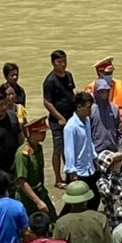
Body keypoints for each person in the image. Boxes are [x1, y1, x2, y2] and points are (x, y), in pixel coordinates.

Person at [41, 50, 77, 187]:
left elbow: (71, 94)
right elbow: (47, 102)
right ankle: (57, 179)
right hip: (57, 122)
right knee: (58, 149)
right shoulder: (50, 81)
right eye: (59, 62)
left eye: (64, 61)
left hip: (71, 118)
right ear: (53, 63)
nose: (63, 64)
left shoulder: (68, 76)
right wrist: (60, 117)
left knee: (70, 148)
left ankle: (70, 175)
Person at [15, 116, 56, 225]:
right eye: (41, 133)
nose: (44, 135)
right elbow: (22, 182)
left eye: (44, 132)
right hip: (27, 198)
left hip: (40, 191)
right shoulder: (23, 154)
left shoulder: (38, 148)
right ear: (32, 133)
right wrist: (37, 201)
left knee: (53, 220)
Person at [61, 91, 97, 181]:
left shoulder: (87, 120)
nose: (90, 110)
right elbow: (69, 150)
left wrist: (94, 157)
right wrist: (72, 171)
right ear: (79, 107)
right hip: (79, 172)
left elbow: (89, 141)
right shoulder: (71, 127)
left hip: (90, 168)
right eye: (88, 107)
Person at [89, 78, 122, 159]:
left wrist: (120, 148)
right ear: (96, 92)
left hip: (113, 150)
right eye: (101, 92)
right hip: (97, 151)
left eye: (106, 91)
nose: (104, 94)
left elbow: (120, 130)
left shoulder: (114, 108)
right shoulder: (91, 110)